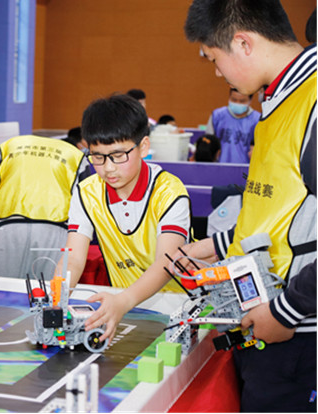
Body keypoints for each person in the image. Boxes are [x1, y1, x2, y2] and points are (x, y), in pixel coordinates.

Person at [181, 1, 316, 411]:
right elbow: (280, 207)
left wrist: (287, 311)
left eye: (213, 58)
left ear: (243, 43)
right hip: (268, 315)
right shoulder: (280, 102)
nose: (217, 72)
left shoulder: (312, 103)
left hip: (296, 333)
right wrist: (218, 245)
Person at [59, 94, 191, 341]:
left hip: (179, 306)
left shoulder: (169, 191)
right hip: (126, 308)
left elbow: (166, 263)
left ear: (144, 147)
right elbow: (74, 257)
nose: (108, 167)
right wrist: (58, 294)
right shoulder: (86, 192)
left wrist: (123, 300)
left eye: (118, 155)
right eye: (97, 156)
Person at [0, 134, 90, 278]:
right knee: (51, 290)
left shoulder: (9, 146)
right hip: (56, 234)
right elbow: (86, 205)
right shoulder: (76, 156)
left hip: (4, 229)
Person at [205, 88, 260, 163]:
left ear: (250, 100)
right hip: (219, 166)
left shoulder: (257, 120)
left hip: (246, 167)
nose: (237, 103)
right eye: (234, 100)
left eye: (242, 101)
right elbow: (208, 144)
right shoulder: (217, 116)